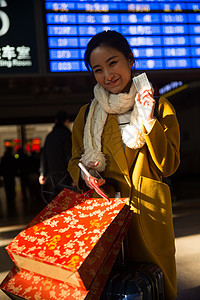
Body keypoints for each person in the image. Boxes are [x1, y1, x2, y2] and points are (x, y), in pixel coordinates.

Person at [68, 30, 180, 299]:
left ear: (130, 60)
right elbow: (75, 160)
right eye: (98, 69)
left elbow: (169, 165)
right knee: (110, 289)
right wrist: (85, 176)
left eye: (113, 62)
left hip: (147, 212)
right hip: (104, 217)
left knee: (154, 287)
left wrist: (150, 119)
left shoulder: (159, 106)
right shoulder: (87, 114)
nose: (107, 75)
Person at [39, 110, 72, 201]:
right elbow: (70, 156)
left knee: (54, 201)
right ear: (66, 121)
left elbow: (44, 155)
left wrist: (42, 173)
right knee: (68, 200)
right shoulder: (67, 135)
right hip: (65, 174)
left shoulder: (50, 136)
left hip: (52, 174)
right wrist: (75, 175)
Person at [0, 146, 18, 215]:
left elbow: (2, 167)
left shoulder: (4, 158)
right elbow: (15, 166)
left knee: (8, 187)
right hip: (11, 175)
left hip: (6, 175)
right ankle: (12, 199)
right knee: (12, 186)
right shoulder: (11, 158)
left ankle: (9, 199)